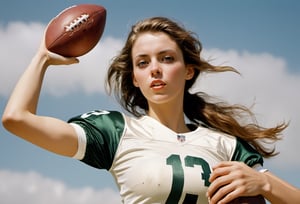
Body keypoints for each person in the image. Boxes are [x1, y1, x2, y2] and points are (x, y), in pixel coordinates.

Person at [2, 16, 299, 204]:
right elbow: (17, 119)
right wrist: (42, 57)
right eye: (143, 63)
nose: (155, 69)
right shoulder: (115, 131)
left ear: (188, 71)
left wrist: (264, 182)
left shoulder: (226, 144)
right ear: (135, 77)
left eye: (167, 58)